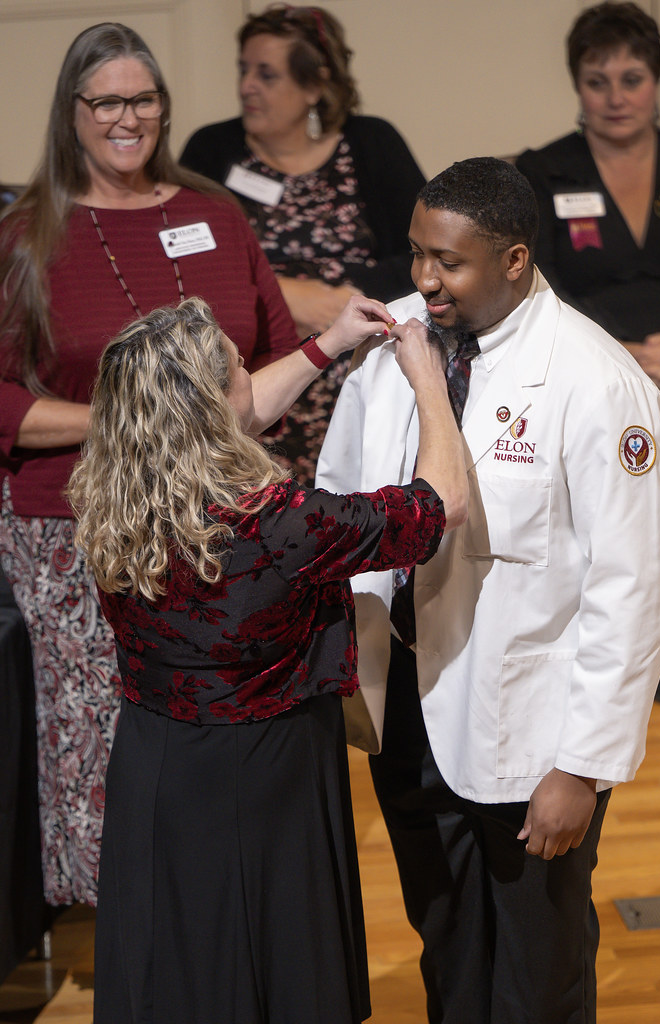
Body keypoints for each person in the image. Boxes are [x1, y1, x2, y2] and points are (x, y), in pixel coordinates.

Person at [316, 157, 660, 1024]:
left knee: (535, 972)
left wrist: (582, 768)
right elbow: (342, 495)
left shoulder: (596, 381)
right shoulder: (394, 341)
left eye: (448, 262)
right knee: (446, 948)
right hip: (408, 706)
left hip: (531, 729)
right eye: (414, 253)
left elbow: (633, 589)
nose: (422, 280)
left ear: (514, 260)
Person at [67, 293, 468, 1024]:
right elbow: (438, 506)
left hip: (156, 758)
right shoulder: (281, 524)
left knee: (179, 953)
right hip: (267, 766)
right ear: (213, 403)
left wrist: (328, 344)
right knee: (274, 953)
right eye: (238, 367)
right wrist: (429, 388)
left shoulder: (113, 488)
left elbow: (230, 415)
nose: (252, 373)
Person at [0, 22, 300, 907]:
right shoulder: (27, 234)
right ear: (73, 112)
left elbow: (275, 346)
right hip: (76, 530)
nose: (127, 118)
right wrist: (129, 420)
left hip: (219, 527)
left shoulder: (213, 213)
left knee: (215, 739)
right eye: (106, 101)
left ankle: (207, 917)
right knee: (106, 738)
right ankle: (125, 933)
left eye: (143, 99)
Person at [515, 1, 660, 705]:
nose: (615, 97)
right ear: (576, 85)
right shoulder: (542, 174)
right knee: (606, 461)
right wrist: (617, 354)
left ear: (656, 82)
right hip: (593, 362)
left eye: (631, 78)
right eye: (596, 80)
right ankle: (608, 625)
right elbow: (535, 282)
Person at [180, 3, 426, 483]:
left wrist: (339, 298)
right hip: (248, 390)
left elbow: (424, 256)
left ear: (314, 85)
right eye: (243, 69)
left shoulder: (371, 143)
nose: (246, 86)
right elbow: (183, 262)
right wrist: (288, 294)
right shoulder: (212, 151)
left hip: (355, 377)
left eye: (266, 75)